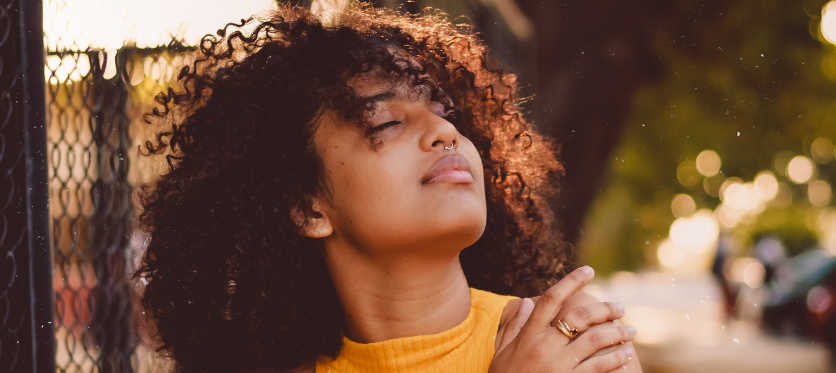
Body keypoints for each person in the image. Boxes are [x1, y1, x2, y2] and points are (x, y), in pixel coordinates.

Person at [134, 3, 642, 372]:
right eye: (384, 125)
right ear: (308, 208)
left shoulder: (567, 342)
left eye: (447, 115)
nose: (446, 133)